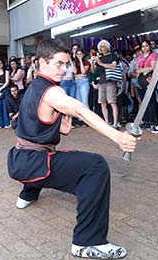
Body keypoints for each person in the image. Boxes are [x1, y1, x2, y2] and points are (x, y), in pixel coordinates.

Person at [8, 38, 137, 260]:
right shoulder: (52, 92)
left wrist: (58, 128)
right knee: (94, 166)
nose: (64, 69)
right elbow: (81, 110)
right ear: (41, 62)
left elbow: (24, 123)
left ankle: (27, 194)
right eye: (59, 63)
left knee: (49, 154)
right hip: (31, 163)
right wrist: (117, 136)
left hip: (19, 159)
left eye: (66, 64)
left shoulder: (34, 86)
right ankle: (87, 242)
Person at [93, 39, 120, 128]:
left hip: (110, 81)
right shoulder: (99, 58)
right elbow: (93, 71)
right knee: (102, 103)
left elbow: (113, 66)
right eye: (101, 47)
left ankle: (115, 123)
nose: (102, 48)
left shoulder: (113, 56)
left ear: (108, 47)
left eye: (104, 46)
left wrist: (100, 63)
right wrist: (92, 63)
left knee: (112, 102)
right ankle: (107, 123)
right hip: (101, 82)